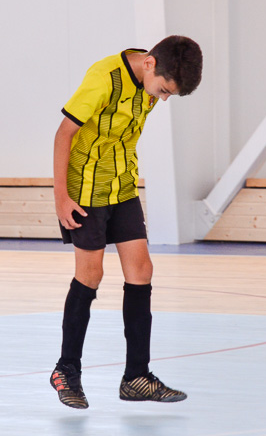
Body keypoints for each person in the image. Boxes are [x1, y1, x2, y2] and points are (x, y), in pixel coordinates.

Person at [50, 35, 203, 409]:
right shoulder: (105, 77)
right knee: (90, 275)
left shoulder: (152, 78)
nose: (162, 99)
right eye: (164, 91)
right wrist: (61, 199)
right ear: (149, 64)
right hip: (84, 190)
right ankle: (65, 370)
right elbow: (64, 134)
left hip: (123, 186)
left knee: (142, 271)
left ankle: (136, 377)